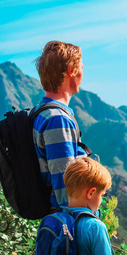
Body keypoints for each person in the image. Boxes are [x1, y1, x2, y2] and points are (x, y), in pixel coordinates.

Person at [32, 40, 87, 210]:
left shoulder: (39, 111)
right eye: (82, 68)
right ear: (71, 70)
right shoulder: (57, 119)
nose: (83, 74)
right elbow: (65, 185)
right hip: (66, 223)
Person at [64, 157, 114, 255]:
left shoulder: (56, 222)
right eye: (102, 195)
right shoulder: (95, 227)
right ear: (91, 193)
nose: (101, 201)